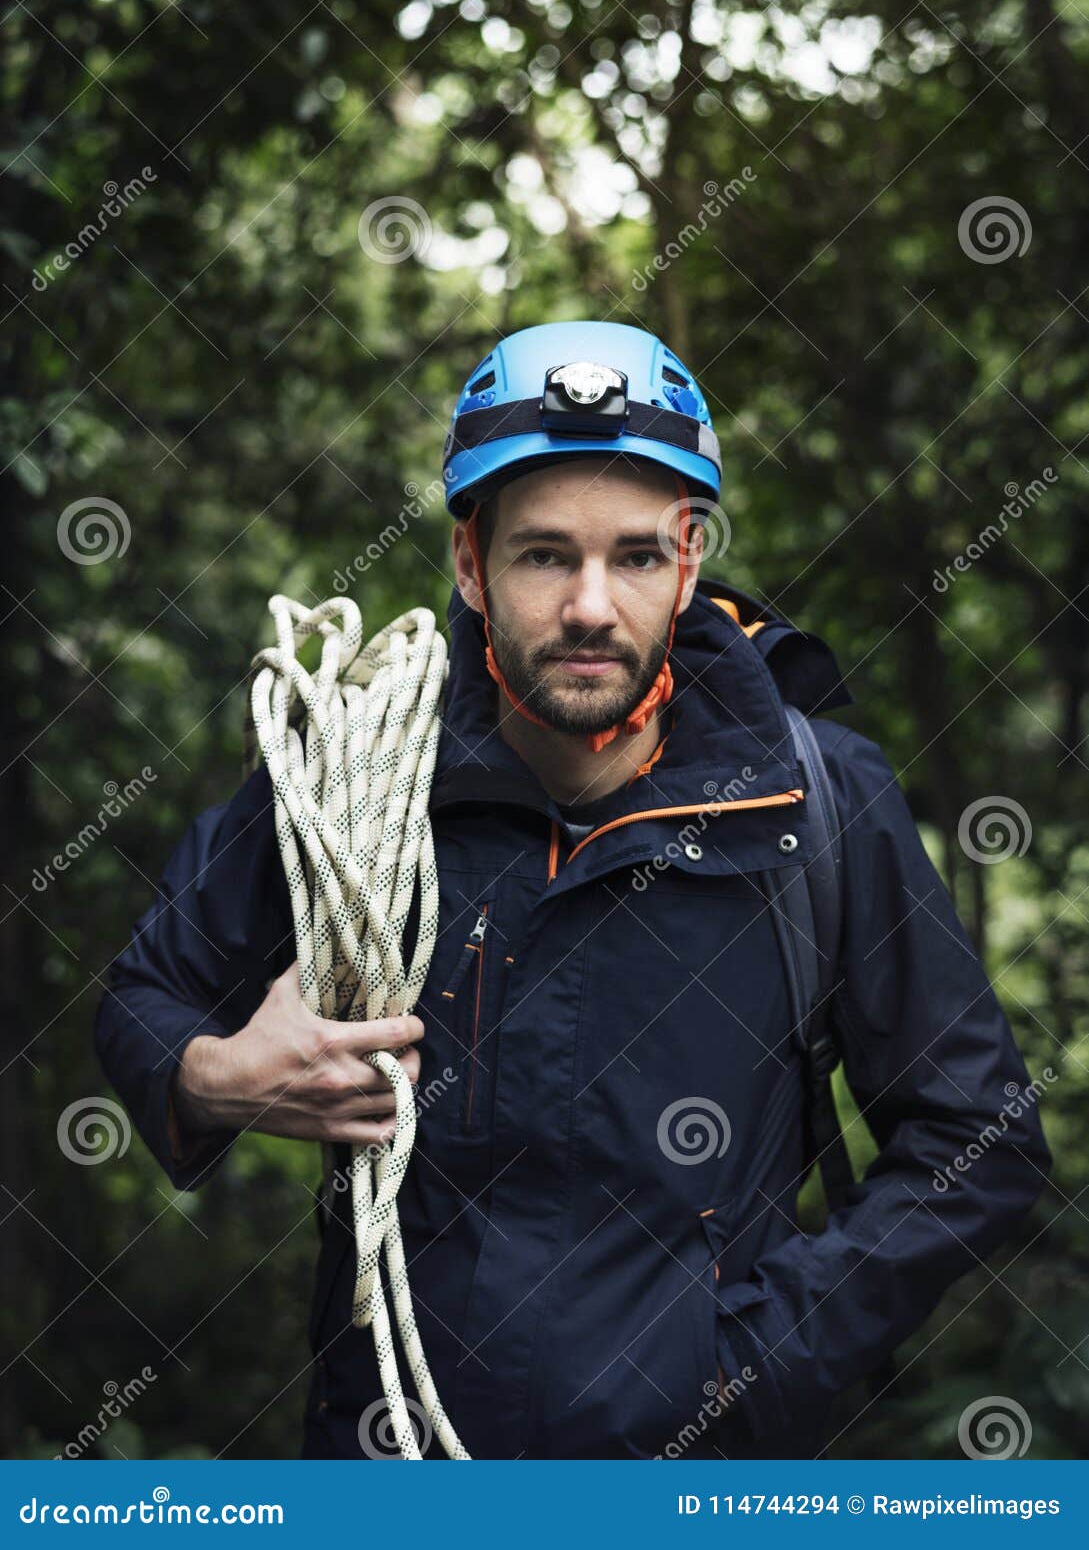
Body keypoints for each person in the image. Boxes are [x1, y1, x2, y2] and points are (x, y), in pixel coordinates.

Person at [94, 320, 1051, 1460]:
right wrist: (213, 1078)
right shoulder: (352, 770)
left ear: (688, 560)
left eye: (636, 556)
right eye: (546, 554)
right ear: (470, 562)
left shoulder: (812, 802)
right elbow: (144, 996)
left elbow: (978, 1136)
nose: (591, 605)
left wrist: (758, 1367)